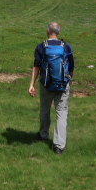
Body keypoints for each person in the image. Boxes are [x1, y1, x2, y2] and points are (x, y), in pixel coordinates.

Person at [28, 22, 74, 154]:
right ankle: (59, 146)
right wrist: (68, 81)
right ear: (58, 32)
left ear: (48, 31)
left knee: (44, 109)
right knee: (61, 113)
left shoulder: (41, 47)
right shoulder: (66, 47)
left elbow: (36, 66)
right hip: (63, 85)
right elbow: (71, 66)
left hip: (46, 84)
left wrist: (31, 84)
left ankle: (43, 135)